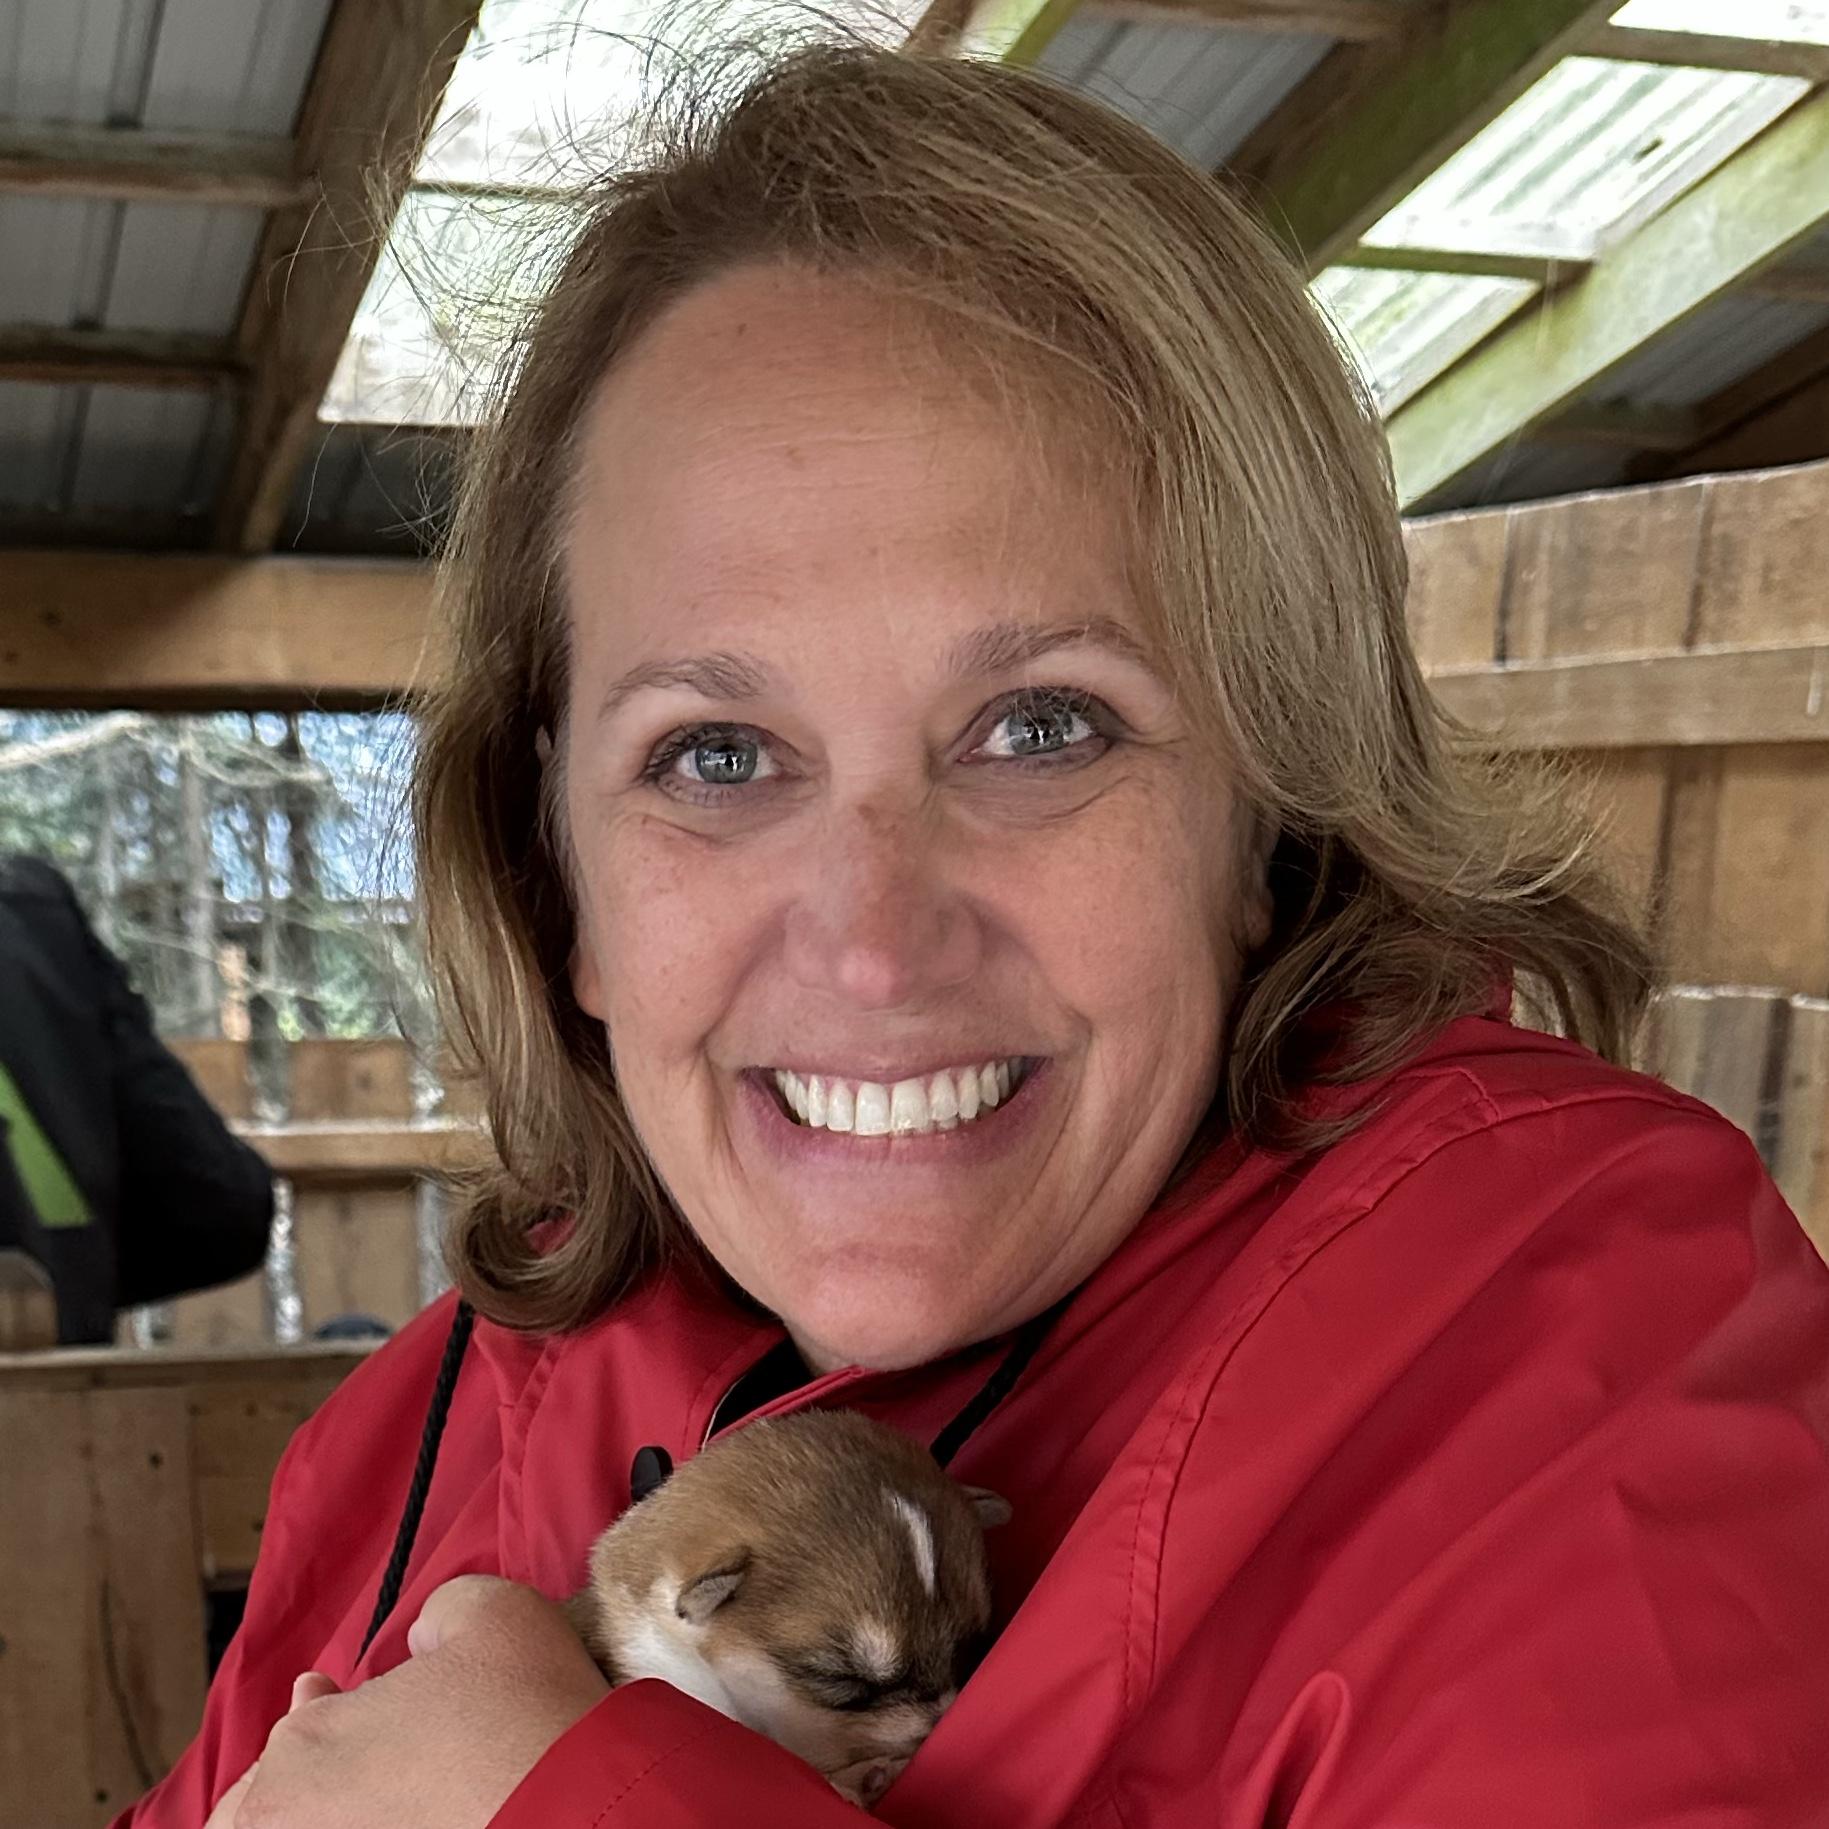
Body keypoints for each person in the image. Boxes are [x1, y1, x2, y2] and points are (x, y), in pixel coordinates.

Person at [124, 44, 1828, 1829]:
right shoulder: (433, 1408)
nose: (873, 946)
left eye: (1041, 725)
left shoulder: (1584, 1346)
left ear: (1269, 812)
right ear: (561, 875)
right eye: (715, 754)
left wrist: (562, 1800)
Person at [0, 853, 274, 1344]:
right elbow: (222, 1209)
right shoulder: (29, 911)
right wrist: (75, 1271)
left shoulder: (30, 906)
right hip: (72, 1373)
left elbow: (223, 1210)